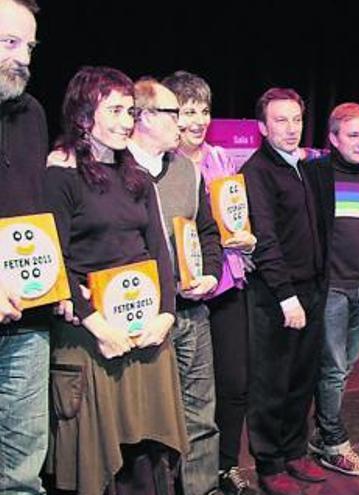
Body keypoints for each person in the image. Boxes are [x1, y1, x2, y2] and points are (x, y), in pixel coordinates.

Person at [44, 66, 187, 495]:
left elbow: (159, 252)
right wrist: (95, 322)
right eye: (117, 110)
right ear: (85, 116)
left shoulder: (138, 179)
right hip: (93, 340)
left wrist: (166, 314)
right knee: (102, 464)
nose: (128, 121)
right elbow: (54, 261)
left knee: (147, 457)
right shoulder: (60, 177)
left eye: (130, 111)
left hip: (145, 336)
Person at [163, 70, 259, 495]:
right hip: (178, 293)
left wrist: (248, 239)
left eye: (204, 110)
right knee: (181, 391)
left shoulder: (224, 161)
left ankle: (223, 467)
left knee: (233, 383)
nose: (198, 120)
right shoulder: (156, 164)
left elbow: (239, 218)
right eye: (188, 111)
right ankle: (174, 472)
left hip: (225, 284)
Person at [126, 77, 223, 495]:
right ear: (144, 118)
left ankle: (202, 489)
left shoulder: (187, 169)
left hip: (192, 311)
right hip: (143, 318)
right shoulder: (116, 171)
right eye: (175, 113)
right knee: (150, 422)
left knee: (201, 415)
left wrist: (212, 274)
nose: (185, 122)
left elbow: (208, 232)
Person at [241, 87, 326, 495]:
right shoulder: (257, 171)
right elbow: (265, 238)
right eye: (281, 120)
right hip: (277, 296)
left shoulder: (302, 166)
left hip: (311, 288)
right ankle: (269, 463)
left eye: (296, 119)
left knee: (301, 378)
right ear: (262, 127)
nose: (291, 128)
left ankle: (295, 451)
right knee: (271, 382)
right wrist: (285, 295)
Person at [301, 102, 359, 476]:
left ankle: (320, 433)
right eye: (353, 135)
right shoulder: (317, 173)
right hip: (331, 288)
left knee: (344, 368)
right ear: (333, 139)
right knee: (333, 370)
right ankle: (333, 442)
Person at [0, 1, 58, 492]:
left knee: (22, 466)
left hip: (29, 320)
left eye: (30, 46)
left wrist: (55, 277)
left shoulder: (33, 113)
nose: (23, 58)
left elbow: (35, 210)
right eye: (9, 43)